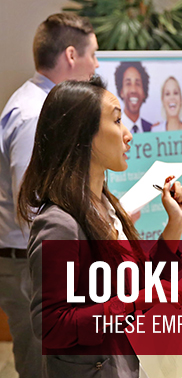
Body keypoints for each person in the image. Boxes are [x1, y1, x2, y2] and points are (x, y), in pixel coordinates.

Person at [17, 77, 182, 377]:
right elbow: (51, 326)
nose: (128, 134)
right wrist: (131, 305)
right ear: (83, 135)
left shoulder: (105, 205)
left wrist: (175, 225)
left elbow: (141, 286)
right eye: (118, 121)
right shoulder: (59, 223)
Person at [0, 12, 98, 378]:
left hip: (40, 259)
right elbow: (33, 207)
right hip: (31, 263)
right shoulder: (33, 113)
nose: (97, 64)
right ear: (71, 55)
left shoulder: (46, 105)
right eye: (93, 54)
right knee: (42, 369)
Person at [114, 61, 153, 133]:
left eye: (138, 84)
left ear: (144, 91)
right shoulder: (113, 129)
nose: (133, 90)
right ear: (121, 91)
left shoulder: (152, 130)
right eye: (128, 84)